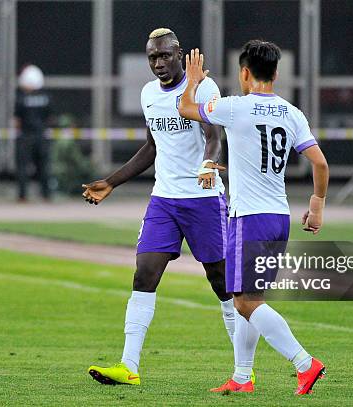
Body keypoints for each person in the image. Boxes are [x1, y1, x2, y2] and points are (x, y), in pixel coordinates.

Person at [84, 28, 242, 386]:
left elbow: (215, 138)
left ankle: (242, 371)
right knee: (144, 274)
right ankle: (128, 365)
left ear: (179, 53)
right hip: (164, 200)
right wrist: (112, 181)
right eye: (152, 57)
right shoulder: (148, 94)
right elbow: (152, 148)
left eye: (165, 56)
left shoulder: (204, 88)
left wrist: (207, 166)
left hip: (203, 199)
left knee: (221, 282)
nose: (158, 63)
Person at [178, 42, 329, 395]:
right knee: (251, 297)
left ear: (244, 73)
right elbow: (320, 163)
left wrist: (194, 81)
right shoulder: (292, 113)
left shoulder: (234, 107)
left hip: (249, 217)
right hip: (279, 216)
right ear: (276, 74)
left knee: (244, 301)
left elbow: (186, 108)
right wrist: (318, 203)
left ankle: (305, 364)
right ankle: (242, 377)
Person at [14, 64, 52, 202]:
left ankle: (22, 196)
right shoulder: (46, 97)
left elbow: (17, 119)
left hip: (26, 136)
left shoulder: (21, 98)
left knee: (23, 167)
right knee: (44, 166)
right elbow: (49, 117)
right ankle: (46, 195)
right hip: (42, 135)